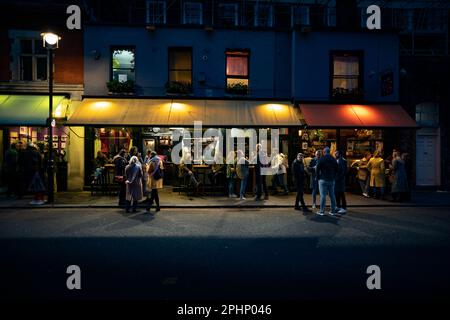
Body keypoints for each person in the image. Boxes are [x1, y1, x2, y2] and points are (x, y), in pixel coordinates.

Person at [316, 147, 338, 216]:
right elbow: (337, 169)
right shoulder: (333, 159)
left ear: (324, 152)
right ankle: (333, 211)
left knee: (323, 196)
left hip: (323, 179)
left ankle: (322, 211)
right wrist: (334, 176)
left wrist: (318, 177)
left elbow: (317, 169)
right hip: (331, 180)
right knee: (332, 195)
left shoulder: (322, 159)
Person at [334, 150, 348, 214]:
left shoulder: (343, 160)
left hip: (341, 180)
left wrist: (338, 178)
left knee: (342, 194)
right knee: (336, 193)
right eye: (335, 153)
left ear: (339, 154)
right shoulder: (336, 160)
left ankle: (344, 208)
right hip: (336, 180)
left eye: (336, 153)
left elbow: (344, 172)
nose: (335, 154)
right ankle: (338, 206)